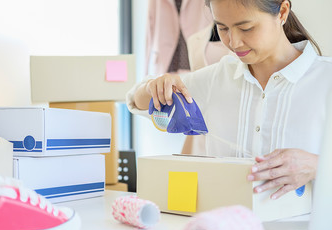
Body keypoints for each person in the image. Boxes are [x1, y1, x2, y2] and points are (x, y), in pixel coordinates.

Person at [126, 0, 332, 200]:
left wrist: (317, 165)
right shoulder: (217, 78)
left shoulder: (325, 79)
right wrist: (154, 87)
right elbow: (138, 102)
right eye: (222, 28)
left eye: (246, 28)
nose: (234, 42)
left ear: (282, 12)